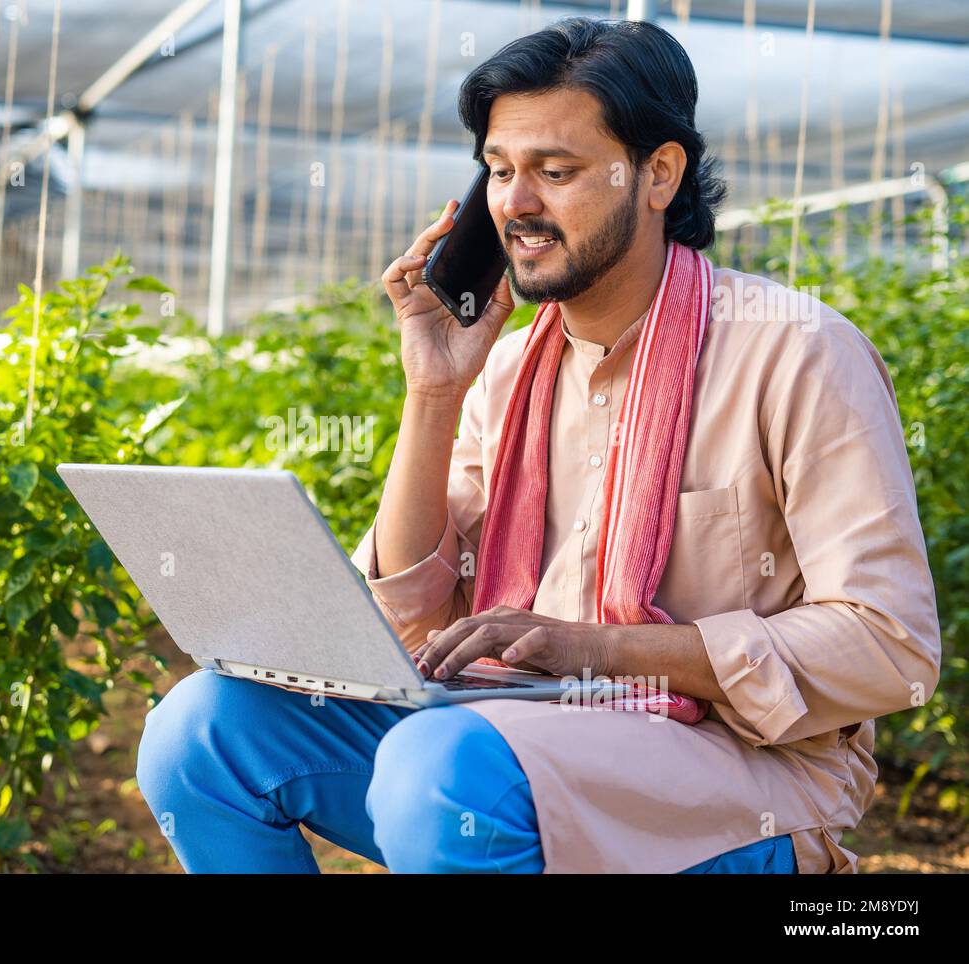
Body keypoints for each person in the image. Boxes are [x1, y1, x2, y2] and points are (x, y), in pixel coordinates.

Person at [135, 17, 940, 873]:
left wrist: (599, 647)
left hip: (730, 770)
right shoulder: (513, 362)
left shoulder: (798, 352)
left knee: (439, 775)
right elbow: (412, 613)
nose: (516, 203)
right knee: (203, 730)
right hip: (497, 731)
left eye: (555, 172)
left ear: (659, 173)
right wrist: (434, 389)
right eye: (499, 170)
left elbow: (890, 646)